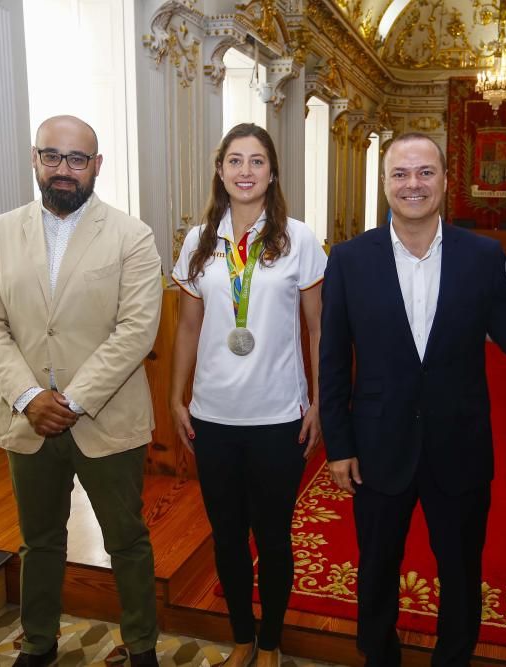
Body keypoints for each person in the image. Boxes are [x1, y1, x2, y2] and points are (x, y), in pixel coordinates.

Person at [320, 132, 506, 666]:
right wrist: (338, 445)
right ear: (385, 183)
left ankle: (453, 658)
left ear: (445, 181)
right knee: (377, 567)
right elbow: (334, 359)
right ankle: (379, 656)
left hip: (460, 445)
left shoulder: (482, 257)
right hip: (378, 443)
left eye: (425, 172)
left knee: (460, 569)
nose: (414, 184)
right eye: (401, 174)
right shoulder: (348, 259)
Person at [0, 115, 163, 667]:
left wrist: (72, 401)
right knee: (40, 540)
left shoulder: (132, 235)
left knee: (126, 539)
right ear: (35, 159)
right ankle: (38, 642)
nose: (63, 170)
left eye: (77, 160)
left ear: (97, 167)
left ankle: (142, 646)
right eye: (52, 156)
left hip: (106, 417)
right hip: (27, 417)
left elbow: (137, 329)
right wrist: (29, 397)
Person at [170, 123, 327, 667]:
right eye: (234, 160)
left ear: (272, 172)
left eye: (256, 161)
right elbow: (188, 328)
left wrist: (320, 402)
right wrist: (176, 397)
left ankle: (272, 641)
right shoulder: (198, 241)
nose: (244, 171)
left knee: (275, 537)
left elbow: (317, 327)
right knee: (228, 536)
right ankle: (241, 635)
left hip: (278, 416)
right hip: (213, 417)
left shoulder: (298, 239)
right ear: (220, 171)